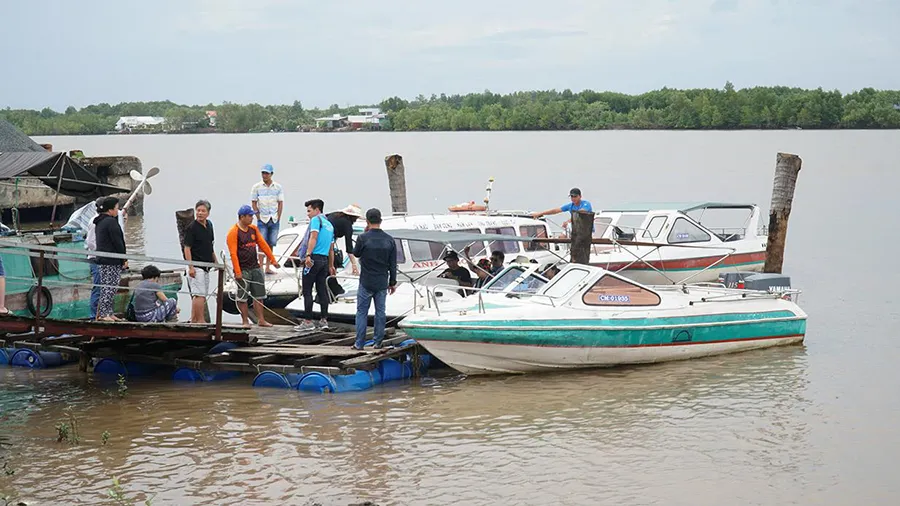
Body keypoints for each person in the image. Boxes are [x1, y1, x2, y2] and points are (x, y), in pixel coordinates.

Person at [351, 208, 397, 350]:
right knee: (380, 313)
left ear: (367, 221)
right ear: (381, 220)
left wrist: (365, 233)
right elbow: (392, 264)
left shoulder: (363, 238)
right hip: (382, 281)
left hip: (366, 280)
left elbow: (356, 253)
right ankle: (377, 342)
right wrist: (392, 282)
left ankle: (359, 343)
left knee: (362, 313)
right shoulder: (389, 240)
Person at [227, 204, 280, 327]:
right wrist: (238, 271)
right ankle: (245, 321)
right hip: (243, 268)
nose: (252, 218)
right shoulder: (233, 232)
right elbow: (233, 254)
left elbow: (263, 245)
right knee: (243, 297)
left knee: (259, 295)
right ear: (242, 217)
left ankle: (261, 320)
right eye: (250, 216)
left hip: (255, 266)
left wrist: (272, 260)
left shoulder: (253, 229)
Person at [295, 199, 336, 331]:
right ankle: (324, 320)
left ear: (317, 210)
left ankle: (308, 321)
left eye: (309, 211)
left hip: (313, 259)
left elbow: (313, 237)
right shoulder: (330, 225)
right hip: (324, 260)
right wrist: (331, 265)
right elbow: (331, 248)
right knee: (322, 290)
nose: (308, 214)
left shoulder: (316, 221)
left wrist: (307, 255)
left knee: (307, 291)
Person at [183, 199, 217, 323]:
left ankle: (194, 320)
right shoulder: (192, 228)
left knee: (202, 295)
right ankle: (200, 320)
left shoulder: (209, 225)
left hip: (206, 265)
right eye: (198, 210)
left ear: (208, 213)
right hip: (196, 265)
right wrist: (190, 267)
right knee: (199, 295)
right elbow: (187, 248)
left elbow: (210, 245)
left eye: (203, 211)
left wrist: (216, 262)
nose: (200, 213)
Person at [94, 197, 127, 321]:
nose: (117, 211)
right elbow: (118, 241)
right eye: (116, 208)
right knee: (109, 287)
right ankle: (103, 314)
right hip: (111, 260)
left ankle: (109, 312)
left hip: (104, 259)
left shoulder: (100, 222)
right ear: (110, 209)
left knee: (109, 287)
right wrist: (124, 258)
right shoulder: (110, 222)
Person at [250, 164, 284, 274]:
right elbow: (254, 202)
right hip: (262, 218)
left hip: (273, 218)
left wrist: (278, 216)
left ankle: (268, 266)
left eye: (267, 173)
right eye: (263, 173)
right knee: (261, 243)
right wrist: (258, 216)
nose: (264, 175)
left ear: (271, 174)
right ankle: (260, 266)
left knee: (271, 243)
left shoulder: (277, 187)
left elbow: (280, 202)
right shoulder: (257, 187)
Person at [326, 204, 363, 275]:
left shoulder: (333, 215)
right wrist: (354, 264)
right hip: (327, 246)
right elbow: (349, 248)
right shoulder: (347, 225)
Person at [85, 197, 105, 319]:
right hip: (96, 258)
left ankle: (102, 314)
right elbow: (91, 243)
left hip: (101, 258)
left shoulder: (101, 220)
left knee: (103, 287)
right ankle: (94, 316)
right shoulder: (94, 221)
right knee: (98, 288)